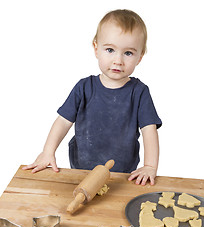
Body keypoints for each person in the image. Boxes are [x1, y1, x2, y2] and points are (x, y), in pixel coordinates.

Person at [23, 9, 162, 185]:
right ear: (96, 49)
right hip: (82, 168)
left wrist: (150, 166)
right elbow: (63, 121)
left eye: (128, 53)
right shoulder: (83, 87)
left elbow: (149, 131)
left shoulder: (140, 92)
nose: (118, 60)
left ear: (140, 57)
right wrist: (47, 151)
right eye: (110, 50)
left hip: (123, 175)